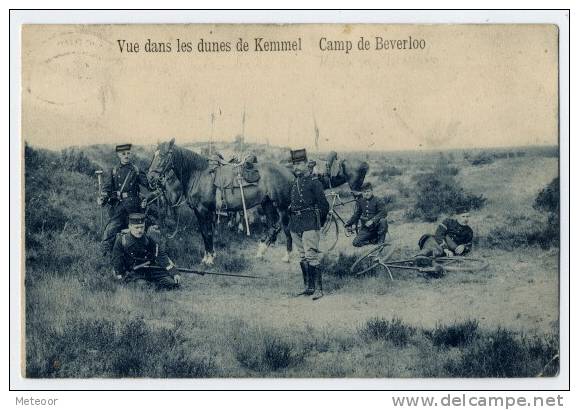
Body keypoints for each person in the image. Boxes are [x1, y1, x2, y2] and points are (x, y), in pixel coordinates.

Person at [288, 149, 329, 300]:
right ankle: (308, 287)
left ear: (306, 164)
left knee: (311, 255)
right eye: (294, 164)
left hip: (310, 222)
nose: (296, 167)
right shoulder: (295, 182)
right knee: (303, 256)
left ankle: (318, 289)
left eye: (299, 163)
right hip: (296, 224)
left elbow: (324, 206)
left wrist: (319, 224)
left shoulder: (314, 183)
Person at [99, 144, 150, 254]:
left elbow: (147, 185)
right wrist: (103, 198)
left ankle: (143, 253)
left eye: (128, 153)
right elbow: (107, 188)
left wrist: (145, 198)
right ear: (118, 155)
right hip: (119, 207)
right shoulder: (114, 171)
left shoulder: (136, 170)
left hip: (134, 207)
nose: (126, 156)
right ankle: (107, 254)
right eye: (123, 154)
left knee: (138, 230)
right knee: (111, 229)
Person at [111, 213, 181, 289]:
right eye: (136, 227)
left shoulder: (148, 239)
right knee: (143, 286)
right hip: (134, 272)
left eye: (142, 227)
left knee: (173, 283)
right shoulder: (122, 240)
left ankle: (153, 284)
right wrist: (121, 278)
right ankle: (150, 285)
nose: (139, 230)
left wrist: (174, 272)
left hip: (149, 269)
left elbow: (161, 255)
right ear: (130, 227)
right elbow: (117, 261)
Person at [345, 183, 388, 247]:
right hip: (367, 228)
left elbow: (383, 212)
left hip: (377, 227)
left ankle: (380, 242)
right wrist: (349, 223)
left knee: (383, 221)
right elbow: (357, 214)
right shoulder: (361, 201)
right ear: (362, 193)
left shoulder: (378, 200)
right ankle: (372, 240)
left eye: (368, 191)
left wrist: (373, 220)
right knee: (356, 243)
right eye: (364, 192)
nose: (366, 194)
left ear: (372, 191)